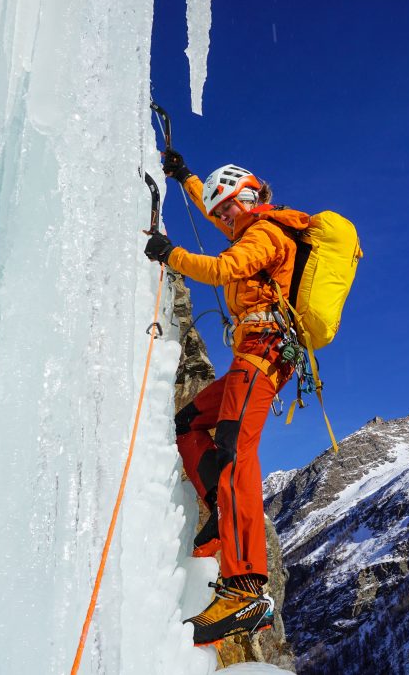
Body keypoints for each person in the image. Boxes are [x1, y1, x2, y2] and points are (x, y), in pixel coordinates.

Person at [143, 150, 309, 646]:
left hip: (262, 357)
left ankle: (245, 589)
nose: (222, 218)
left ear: (249, 196)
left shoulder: (265, 232)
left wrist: (168, 254)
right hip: (251, 361)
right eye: (217, 213)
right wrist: (186, 178)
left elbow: (222, 269)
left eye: (227, 208)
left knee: (236, 453)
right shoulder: (249, 227)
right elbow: (221, 226)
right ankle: (220, 509)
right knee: (189, 423)